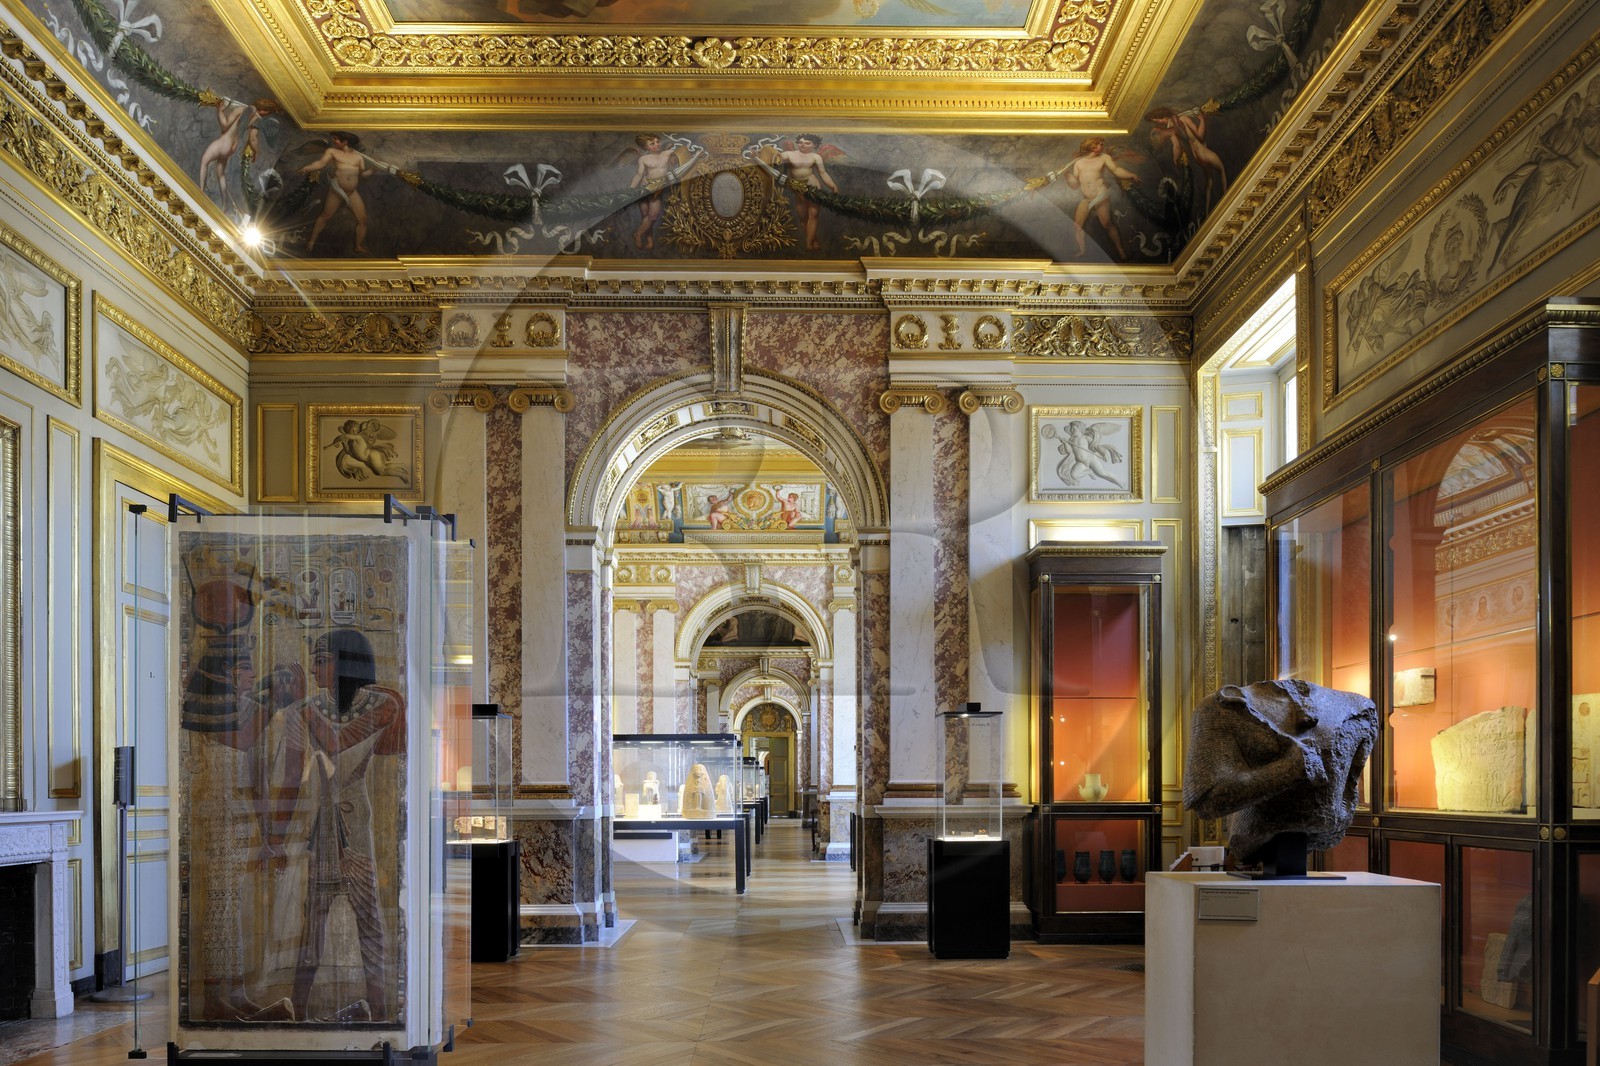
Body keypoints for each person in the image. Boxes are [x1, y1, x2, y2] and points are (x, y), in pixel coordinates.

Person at [268, 628, 405, 1023]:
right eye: (312, 660)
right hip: (321, 827)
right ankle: (299, 1010)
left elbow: (338, 744)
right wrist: (274, 839)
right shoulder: (305, 709)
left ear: (347, 661)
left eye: (322, 659)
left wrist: (301, 709)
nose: (312, 669)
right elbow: (292, 780)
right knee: (314, 921)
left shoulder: (381, 704)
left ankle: (380, 1011)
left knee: (369, 920)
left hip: (355, 824)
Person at [1059, 137, 1141, 259]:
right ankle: (1082, 250)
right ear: (1091, 147)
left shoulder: (1104, 158)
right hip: (1086, 198)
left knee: (1107, 223)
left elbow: (1116, 170)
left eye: (1102, 144)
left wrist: (1131, 174)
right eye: (1099, 144)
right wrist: (1066, 175)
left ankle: (1120, 250)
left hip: (1100, 195)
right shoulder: (1078, 163)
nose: (1102, 146)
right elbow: (1075, 185)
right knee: (1077, 226)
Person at [298, 132, 375, 254]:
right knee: (325, 216)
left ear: (345, 142)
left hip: (352, 193)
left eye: (336, 139)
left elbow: (363, 174)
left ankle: (358, 246)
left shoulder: (358, 157)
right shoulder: (332, 151)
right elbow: (321, 163)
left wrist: (373, 169)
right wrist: (308, 168)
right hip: (337, 191)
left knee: (363, 220)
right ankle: (311, 242)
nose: (333, 140)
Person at [778, 135, 840, 251]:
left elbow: (823, 173)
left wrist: (833, 186)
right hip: (797, 189)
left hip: (813, 187)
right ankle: (813, 240)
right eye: (801, 142)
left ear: (814, 145)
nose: (803, 145)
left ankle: (808, 244)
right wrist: (759, 156)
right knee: (802, 218)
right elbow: (775, 157)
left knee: (813, 214)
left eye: (807, 143)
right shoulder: (790, 155)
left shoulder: (815, 157)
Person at [628, 134, 676, 250]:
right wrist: (630, 191)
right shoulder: (643, 159)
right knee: (645, 216)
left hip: (657, 188)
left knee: (652, 216)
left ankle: (638, 234)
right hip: (644, 188)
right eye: (652, 143)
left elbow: (681, 148)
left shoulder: (666, 154)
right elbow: (638, 176)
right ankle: (649, 240)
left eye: (658, 141)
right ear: (646, 147)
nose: (657, 145)